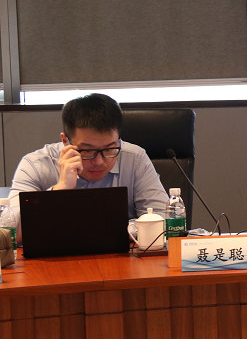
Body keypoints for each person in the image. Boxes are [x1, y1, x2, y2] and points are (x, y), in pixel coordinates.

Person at [9, 93, 168, 241]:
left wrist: (109, 230)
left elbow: (164, 219)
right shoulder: (36, 165)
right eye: (87, 150)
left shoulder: (135, 159)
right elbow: (9, 232)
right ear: (65, 141)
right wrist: (59, 190)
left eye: (109, 149)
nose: (99, 161)